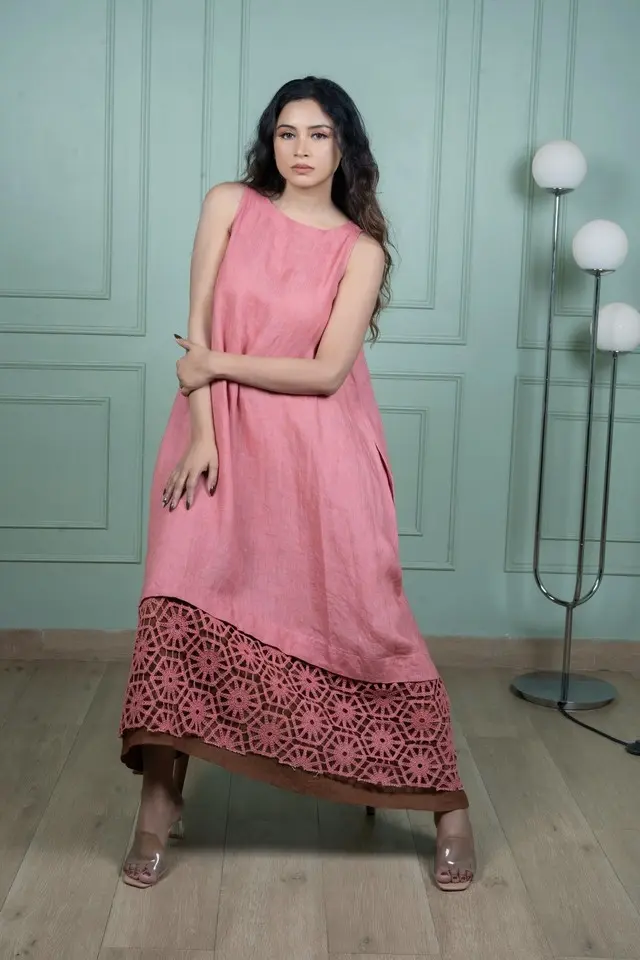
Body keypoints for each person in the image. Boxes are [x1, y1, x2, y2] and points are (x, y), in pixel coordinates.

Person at [119, 76, 475, 892]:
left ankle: (446, 807)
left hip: (322, 453)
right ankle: (159, 803)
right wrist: (203, 429)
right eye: (287, 133)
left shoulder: (360, 250)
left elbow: (324, 373)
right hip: (214, 434)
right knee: (181, 598)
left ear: (344, 146)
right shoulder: (229, 205)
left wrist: (215, 363)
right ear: (269, 141)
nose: (301, 149)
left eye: (318, 134)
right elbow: (196, 334)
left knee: (365, 621)